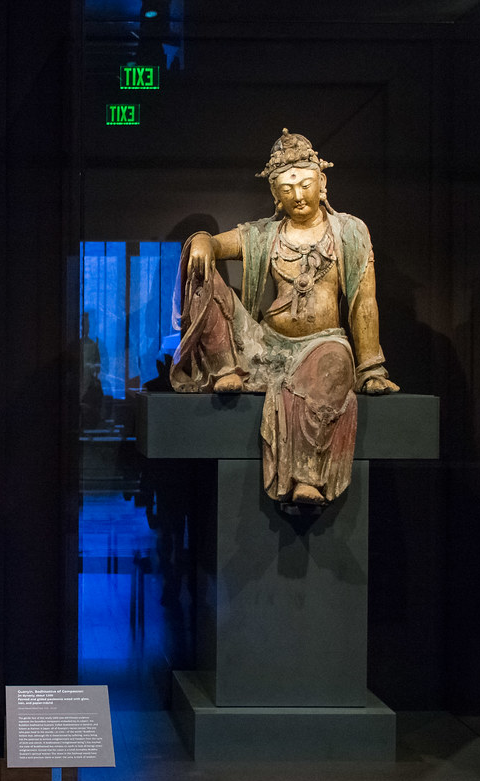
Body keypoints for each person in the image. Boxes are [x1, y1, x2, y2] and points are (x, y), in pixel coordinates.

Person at [170, 129, 398, 507]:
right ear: (275, 194)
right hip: (265, 344)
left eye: (305, 183)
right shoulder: (266, 234)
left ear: (321, 182)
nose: (297, 195)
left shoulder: (349, 232)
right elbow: (218, 242)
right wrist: (202, 241)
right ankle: (227, 365)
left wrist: (370, 369)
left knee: (333, 368)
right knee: (201, 273)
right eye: (287, 187)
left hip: (322, 342)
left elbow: (363, 301)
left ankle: (306, 477)